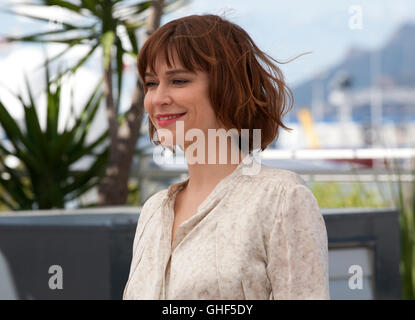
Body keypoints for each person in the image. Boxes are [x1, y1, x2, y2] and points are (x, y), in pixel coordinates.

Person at [123, 14, 330, 300]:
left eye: (179, 80)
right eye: (150, 83)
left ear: (228, 87)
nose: (158, 98)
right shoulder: (153, 211)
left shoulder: (281, 199)